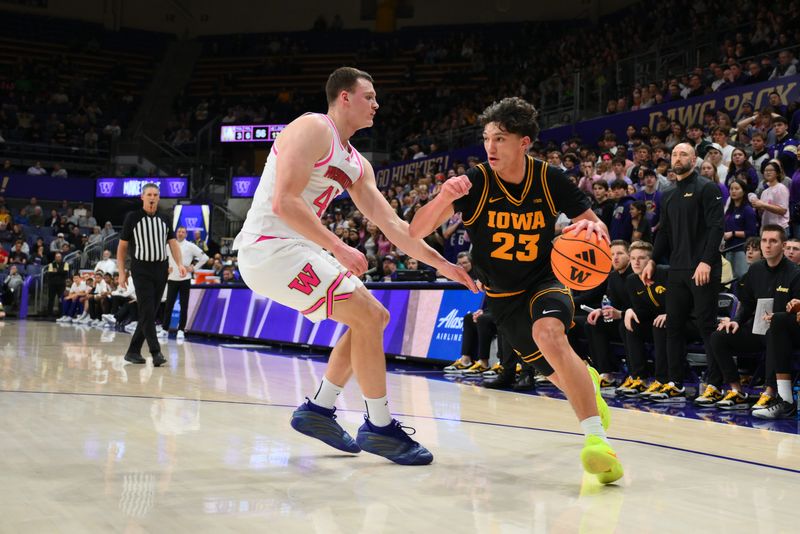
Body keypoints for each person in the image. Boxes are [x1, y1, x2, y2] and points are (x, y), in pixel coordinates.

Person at [233, 67, 475, 466]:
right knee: (366, 316)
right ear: (344, 97)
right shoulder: (313, 127)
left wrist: (443, 265)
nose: (377, 104)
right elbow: (284, 202)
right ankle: (379, 427)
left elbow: (396, 228)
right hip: (268, 248)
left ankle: (319, 409)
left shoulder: (357, 163)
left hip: (294, 249)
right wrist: (339, 246)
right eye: (369, 96)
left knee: (373, 317)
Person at [409, 96, 623, 483]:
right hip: (501, 297)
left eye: (501, 138)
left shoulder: (549, 178)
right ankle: (585, 379)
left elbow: (595, 226)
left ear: (524, 142)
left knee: (549, 334)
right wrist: (443, 196)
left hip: (545, 279)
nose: (491, 147)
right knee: (554, 370)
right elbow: (415, 231)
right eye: (487, 138)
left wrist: (594, 230)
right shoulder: (473, 182)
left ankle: (597, 442)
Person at [642, 143, 724, 402]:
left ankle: (715, 385)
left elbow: (716, 228)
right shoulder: (667, 194)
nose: (678, 158)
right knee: (673, 326)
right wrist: (653, 261)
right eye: (675, 154)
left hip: (702, 267)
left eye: (684, 154)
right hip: (676, 269)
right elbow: (664, 232)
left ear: (695, 159)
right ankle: (675, 382)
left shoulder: (707, 188)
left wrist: (706, 261)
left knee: (706, 325)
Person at [696, 225, 800, 412]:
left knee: (773, 332)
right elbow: (747, 303)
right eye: (764, 241)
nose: (767, 245)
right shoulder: (755, 270)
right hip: (758, 328)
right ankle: (737, 391)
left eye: (773, 241)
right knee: (719, 336)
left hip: (784, 335)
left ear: (783, 245)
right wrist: (736, 320)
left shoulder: (795, 273)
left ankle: (769, 393)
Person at [117, 184, 186, 367]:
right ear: (142, 197)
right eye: (149, 194)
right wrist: (122, 273)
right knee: (147, 310)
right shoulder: (132, 218)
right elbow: (122, 247)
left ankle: (133, 351)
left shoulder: (164, 218)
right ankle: (156, 352)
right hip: (141, 269)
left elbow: (172, 243)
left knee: (150, 312)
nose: (152, 197)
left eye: (155, 194)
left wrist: (179, 263)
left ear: (159, 197)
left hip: (161, 269)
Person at [619, 241, 670, 398]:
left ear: (651, 261)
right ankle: (638, 377)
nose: (636, 262)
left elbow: (684, 300)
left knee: (659, 326)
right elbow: (643, 311)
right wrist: (628, 311)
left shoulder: (665, 273)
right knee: (628, 324)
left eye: (641, 258)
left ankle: (662, 380)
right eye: (633, 258)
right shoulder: (631, 280)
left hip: (676, 320)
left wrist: (670, 314)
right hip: (654, 321)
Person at [584, 240, 632, 389]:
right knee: (592, 323)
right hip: (617, 318)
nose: (615, 258)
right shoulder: (613, 276)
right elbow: (609, 301)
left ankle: (635, 375)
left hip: (633, 319)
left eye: (619, 253)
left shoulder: (635, 275)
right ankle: (604, 372)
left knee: (625, 327)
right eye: (612, 254)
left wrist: (620, 313)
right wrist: (601, 310)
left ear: (629, 256)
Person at [161, 226, 209, 340]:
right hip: (172, 278)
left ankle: (181, 330)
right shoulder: (169, 246)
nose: (180, 233)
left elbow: (204, 257)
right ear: (176, 233)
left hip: (185, 279)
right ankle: (164, 329)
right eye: (179, 231)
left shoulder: (190, 246)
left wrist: (193, 268)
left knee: (184, 305)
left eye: (183, 232)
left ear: (186, 234)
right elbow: (163, 259)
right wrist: (166, 268)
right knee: (168, 305)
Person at [723, 178, 758, 279]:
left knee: (741, 276)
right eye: (731, 189)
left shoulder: (747, 210)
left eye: (737, 188)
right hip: (729, 248)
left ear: (743, 191)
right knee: (730, 278)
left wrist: (733, 233)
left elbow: (752, 232)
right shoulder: (730, 209)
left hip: (741, 248)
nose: (733, 191)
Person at [44, 252, 69, 317]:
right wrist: (60, 271)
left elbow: (65, 273)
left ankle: (61, 314)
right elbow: (50, 274)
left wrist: (56, 271)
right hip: (52, 284)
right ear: (55, 258)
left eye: (59, 257)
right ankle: (49, 314)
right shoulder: (51, 264)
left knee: (61, 299)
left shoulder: (65, 264)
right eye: (57, 257)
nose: (58, 258)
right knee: (51, 299)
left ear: (61, 257)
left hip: (61, 284)